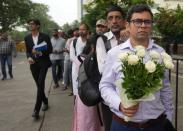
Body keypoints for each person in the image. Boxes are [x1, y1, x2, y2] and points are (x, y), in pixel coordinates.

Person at [99, 4, 174, 131]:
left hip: (156, 124)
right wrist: (120, 104)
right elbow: (105, 86)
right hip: (123, 125)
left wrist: (169, 117)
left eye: (147, 22)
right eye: (138, 21)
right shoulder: (114, 54)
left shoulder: (160, 53)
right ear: (128, 25)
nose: (143, 25)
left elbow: (165, 88)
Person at [96, 5, 127, 131]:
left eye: (118, 17)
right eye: (111, 18)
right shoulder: (102, 40)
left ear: (124, 21)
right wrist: (121, 43)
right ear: (107, 23)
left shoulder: (133, 38)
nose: (114, 21)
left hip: (134, 96)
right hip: (111, 98)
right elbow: (103, 69)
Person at [24, 19, 52, 120]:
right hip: (33, 64)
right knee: (39, 85)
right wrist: (29, 57)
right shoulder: (27, 37)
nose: (30, 25)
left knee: (40, 84)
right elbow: (27, 51)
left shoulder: (45, 36)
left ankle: (36, 110)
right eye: (29, 24)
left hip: (43, 63)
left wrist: (39, 51)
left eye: (32, 24)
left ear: (38, 26)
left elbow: (50, 50)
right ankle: (45, 101)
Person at [63, 27, 79, 95]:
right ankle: (67, 86)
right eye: (75, 31)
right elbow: (66, 49)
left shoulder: (81, 39)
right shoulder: (70, 40)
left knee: (75, 75)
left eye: (77, 31)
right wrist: (68, 51)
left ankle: (75, 90)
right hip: (69, 58)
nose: (76, 32)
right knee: (67, 73)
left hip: (77, 60)